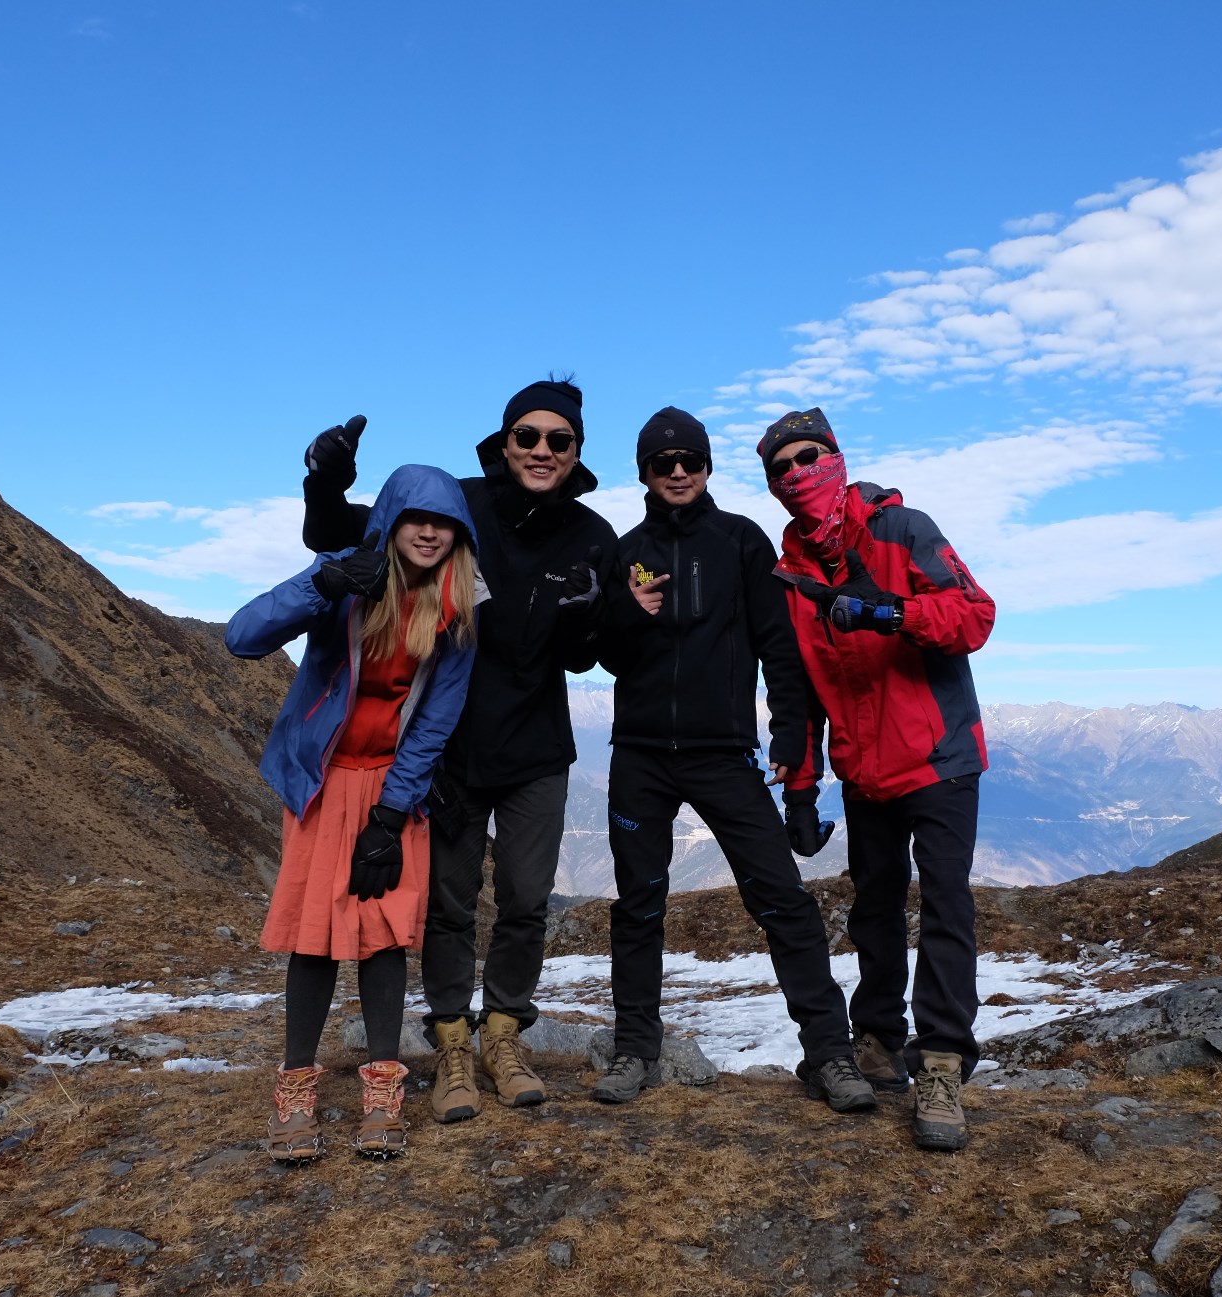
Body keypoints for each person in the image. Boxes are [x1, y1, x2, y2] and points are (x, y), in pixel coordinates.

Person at [300, 379, 612, 1124]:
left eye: (558, 440)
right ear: (503, 444)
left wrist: (587, 620)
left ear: (575, 453)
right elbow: (336, 532)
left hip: (539, 748)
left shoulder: (594, 536)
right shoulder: (459, 506)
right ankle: (450, 1045)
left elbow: (588, 653)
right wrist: (323, 483)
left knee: (528, 901)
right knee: (448, 903)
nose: (541, 450)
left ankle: (503, 1035)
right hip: (451, 745)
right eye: (527, 437)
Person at [592, 406, 876, 1113]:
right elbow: (606, 655)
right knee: (637, 907)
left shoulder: (743, 543)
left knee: (782, 898)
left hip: (725, 753)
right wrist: (627, 608)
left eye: (691, 459)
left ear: (708, 466)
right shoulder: (626, 550)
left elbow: (779, 650)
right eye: (664, 463)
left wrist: (789, 740)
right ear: (646, 475)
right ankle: (634, 1049)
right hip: (640, 756)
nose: (679, 471)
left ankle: (831, 1055)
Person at [227, 458, 482, 1162]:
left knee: (385, 933)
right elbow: (242, 635)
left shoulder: (458, 608)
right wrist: (323, 583)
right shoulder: (346, 572)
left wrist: (391, 817)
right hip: (321, 779)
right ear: (392, 520)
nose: (430, 533)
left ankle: (382, 1090)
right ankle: (295, 1091)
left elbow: (435, 721)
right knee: (314, 934)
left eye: (445, 524)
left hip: (395, 787)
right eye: (417, 519)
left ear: (460, 535)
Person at [758, 407, 995, 1152]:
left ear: (836, 456)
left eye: (807, 457)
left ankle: (945, 1063)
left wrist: (893, 613)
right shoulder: (790, 573)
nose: (797, 473)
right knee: (877, 905)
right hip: (864, 768)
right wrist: (799, 785)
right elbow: (794, 692)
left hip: (940, 757)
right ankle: (879, 1038)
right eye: (780, 467)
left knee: (947, 903)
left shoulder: (903, 529)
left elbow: (974, 616)